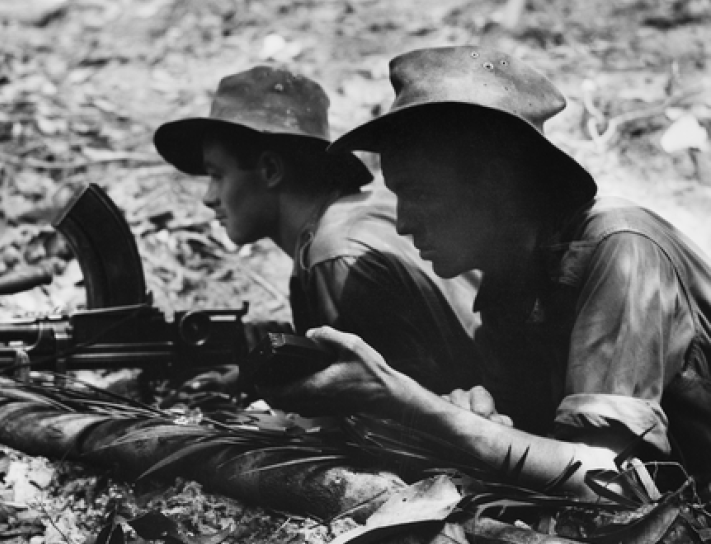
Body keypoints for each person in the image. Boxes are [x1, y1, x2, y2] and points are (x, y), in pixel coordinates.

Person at [264, 45, 711, 497]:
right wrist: (476, 413)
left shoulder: (621, 246)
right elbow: (531, 437)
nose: (402, 222)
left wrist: (406, 401)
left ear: (495, 181)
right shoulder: (509, 280)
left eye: (418, 193)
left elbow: (609, 483)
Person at [153, 65, 486, 396]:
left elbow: (393, 403)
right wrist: (248, 378)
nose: (209, 197)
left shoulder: (336, 253)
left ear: (270, 170)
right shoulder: (358, 216)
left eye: (218, 175)